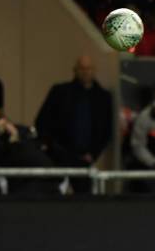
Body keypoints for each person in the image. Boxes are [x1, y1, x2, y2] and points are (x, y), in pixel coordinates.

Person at [35, 55, 112, 193]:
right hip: (59, 157)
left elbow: (106, 130)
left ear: (94, 70)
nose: (85, 72)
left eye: (88, 68)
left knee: (84, 198)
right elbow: (42, 121)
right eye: (82, 68)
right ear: (75, 70)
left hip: (86, 159)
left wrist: (94, 154)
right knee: (54, 194)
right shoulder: (60, 92)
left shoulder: (103, 98)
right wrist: (52, 148)